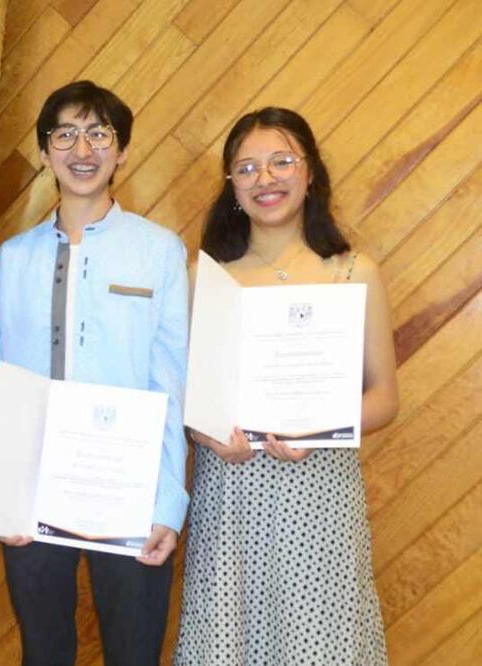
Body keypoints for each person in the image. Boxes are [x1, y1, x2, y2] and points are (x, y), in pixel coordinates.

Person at [174, 107, 399, 665]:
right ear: (230, 187)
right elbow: (187, 397)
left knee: (321, 642)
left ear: (311, 172)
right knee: (228, 640)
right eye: (246, 168)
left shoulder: (352, 271)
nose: (264, 179)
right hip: (231, 492)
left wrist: (316, 429)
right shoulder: (205, 277)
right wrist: (208, 436)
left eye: (280, 162)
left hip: (321, 492)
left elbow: (384, 398)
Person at [0, 80, 190, 665]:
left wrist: (165, 505)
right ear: (45, 150)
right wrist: (5, 496)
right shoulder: (13, 257)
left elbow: (171, 382)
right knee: (43, 652)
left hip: (130, 489)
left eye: (99, 133)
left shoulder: (159, 251)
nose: (83, 148)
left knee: (133, 653)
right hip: (32, 490)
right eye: (66, 133)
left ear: (122, 150)